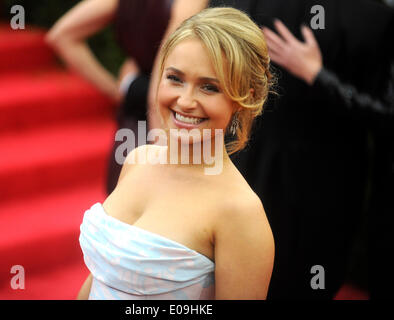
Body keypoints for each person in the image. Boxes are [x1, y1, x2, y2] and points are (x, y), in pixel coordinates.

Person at [77, 7, 275, 300]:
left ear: (243, 99)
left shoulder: (240, 212)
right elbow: (101, 276)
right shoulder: (137, 160)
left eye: (209, 87)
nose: (185, 100)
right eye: (175, 78)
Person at [201, 0, 392, 299]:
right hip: (261, 165)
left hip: (318, 179)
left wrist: (317, 75)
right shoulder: (374, 13)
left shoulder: (375, 16)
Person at [46, 0, 208, 195]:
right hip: (163, 128)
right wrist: (164, 153)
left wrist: (120, 89)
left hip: (131, 129)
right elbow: (159, 88)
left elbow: (62, 35)